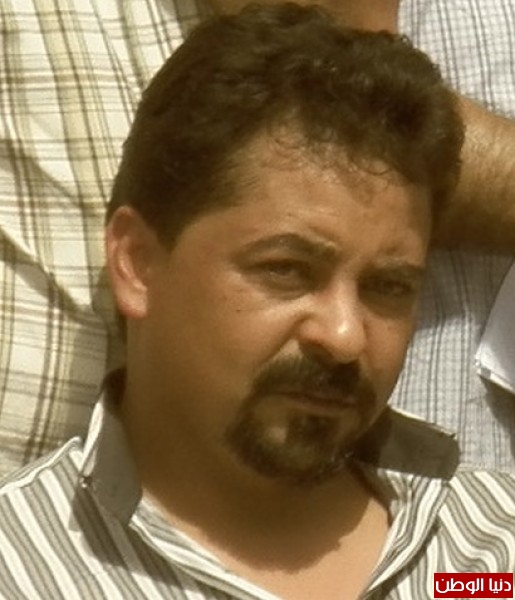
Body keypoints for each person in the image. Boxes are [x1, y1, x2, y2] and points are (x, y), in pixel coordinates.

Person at [1, 6, 514, 599]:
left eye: (388, 287)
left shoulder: (487, 552)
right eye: (287, 271)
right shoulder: (25, 570)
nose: (345, 336)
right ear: (137, 264)